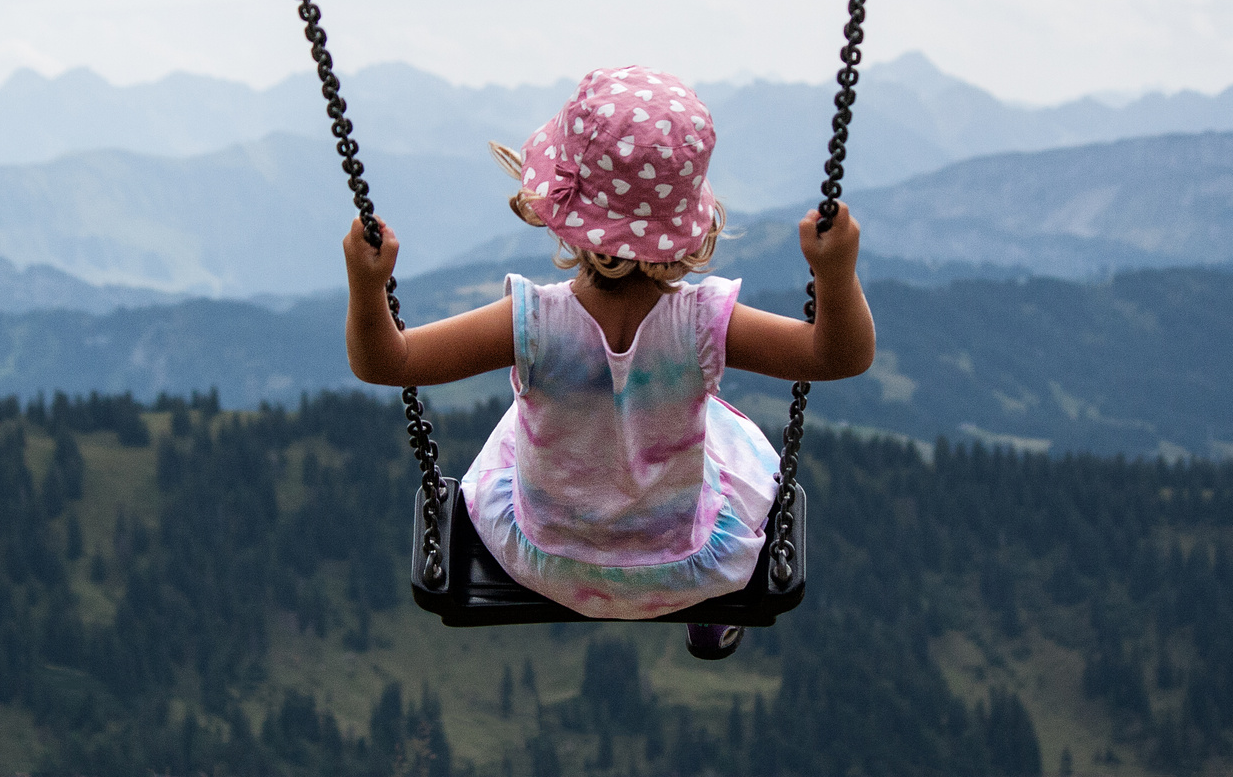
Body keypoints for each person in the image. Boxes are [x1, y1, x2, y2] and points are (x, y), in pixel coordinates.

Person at [343, 65, 875, 659]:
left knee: (516, 429)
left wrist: (367, 287)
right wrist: (836, 273)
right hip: (685, 569)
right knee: (729, 434)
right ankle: (703, 615)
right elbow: (840, 356)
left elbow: (387, 362)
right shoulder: (705, 322)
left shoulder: (528, 322)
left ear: (564, 211)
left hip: (547, 561)